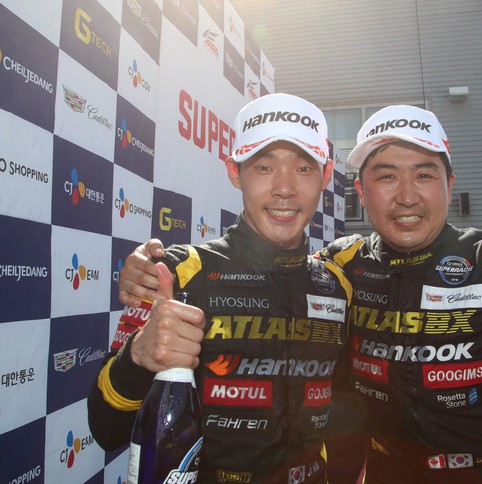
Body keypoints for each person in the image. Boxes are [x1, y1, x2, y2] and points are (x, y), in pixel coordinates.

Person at [120, 105, 482, 483]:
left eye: (424, 175)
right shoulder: (339, 269)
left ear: (449, 184)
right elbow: (267, 280)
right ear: (360, 191)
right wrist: (149, 274)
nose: (407, 197)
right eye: (386, 177)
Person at [87, 93, 353, 484]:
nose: (284, 188)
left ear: (326, 176)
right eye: (264, 167)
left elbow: (346, 410)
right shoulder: (176, 274)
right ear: (234, 172)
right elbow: (105, 430)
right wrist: (138, 357)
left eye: (303, 168)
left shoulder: (337, 286)